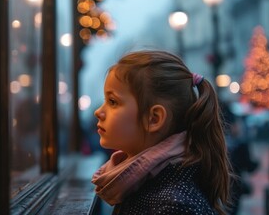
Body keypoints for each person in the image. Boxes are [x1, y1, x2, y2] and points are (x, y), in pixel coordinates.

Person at [91, 51, 232, 214]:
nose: (98, 112)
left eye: (113, 101)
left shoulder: (173, 206)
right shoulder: (147, 182)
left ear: (154, 119)